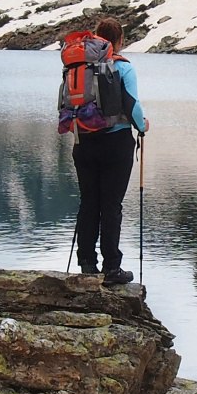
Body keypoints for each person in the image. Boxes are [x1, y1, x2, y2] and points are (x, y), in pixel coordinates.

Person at [72, 16, 148, 285]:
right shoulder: (123, 67)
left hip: (84, 143)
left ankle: (86, 263)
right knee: (111, 206)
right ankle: (112, 267)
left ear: (95, 36)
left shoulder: (79, 67)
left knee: (89, 202)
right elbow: (131, 105)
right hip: (115, 145)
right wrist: (143, 125)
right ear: (120, 41)